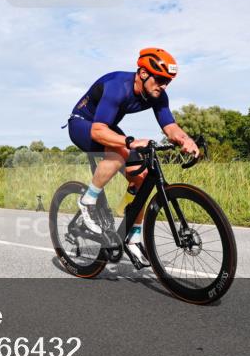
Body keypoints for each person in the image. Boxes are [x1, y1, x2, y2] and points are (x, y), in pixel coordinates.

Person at [67, 48, 200, 263]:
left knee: (141, 175)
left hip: (107, 126)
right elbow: (98, 131)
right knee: (119, 154)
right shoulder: (117, 86)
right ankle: (87, 201)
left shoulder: (157, 94)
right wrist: (130, 142)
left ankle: (132, 237)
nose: (164, 86)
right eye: (160, 80)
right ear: (143, 73)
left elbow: (170, 127)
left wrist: (186, 140)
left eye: (168, 81)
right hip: (83, 124)